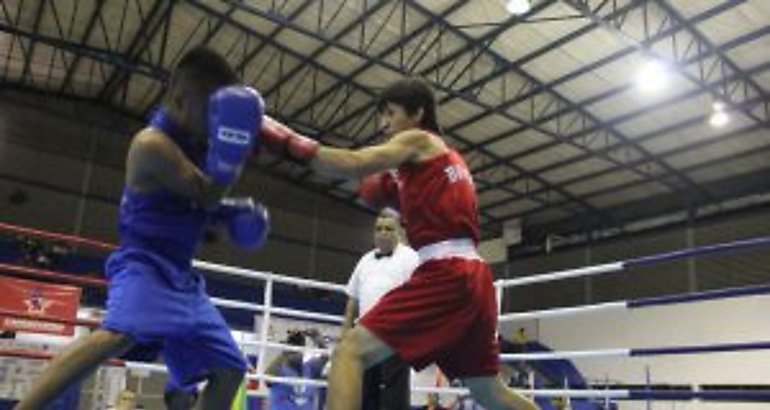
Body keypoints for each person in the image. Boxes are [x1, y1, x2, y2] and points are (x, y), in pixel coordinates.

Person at [258, 77, 539, 410]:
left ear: (418, 113)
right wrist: (401, 195)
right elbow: (441, 218)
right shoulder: (449, 160)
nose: (385, 124)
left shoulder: (419, 140)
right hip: (475, 276)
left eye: (390, 113)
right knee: (488, 392)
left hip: (446, 272)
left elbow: (355, 163)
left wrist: (288, 143)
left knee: (348, 353)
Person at [14, 46, 268, 410]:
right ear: (181, 100)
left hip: (182, 279)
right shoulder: (151, 144)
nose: (216, 123)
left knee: (229, 370)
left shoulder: (195, 143)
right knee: (115, 337)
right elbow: (205, 194)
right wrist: (234, 154)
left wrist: (234, 213)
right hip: (144, 266)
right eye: (211, 112)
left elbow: (199, 206)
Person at [343, 209, 418, 410]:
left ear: (399, 232)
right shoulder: (365, 260)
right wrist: (345, 334)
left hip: (395, 336)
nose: (383, 233)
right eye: (378, 229)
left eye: (388, 228)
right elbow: (352, 299)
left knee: (394, 394)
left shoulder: (411, 257)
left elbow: (421, 295)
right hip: (365, 336)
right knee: (366, 393)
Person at [266, 331, 329, 410]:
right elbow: (267, 379)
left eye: (297, 349)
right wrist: (287, 350)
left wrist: (318, 339)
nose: (294, 354)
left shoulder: (310, 367)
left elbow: (325, 357)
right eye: (292, 350)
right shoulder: (279, 369)